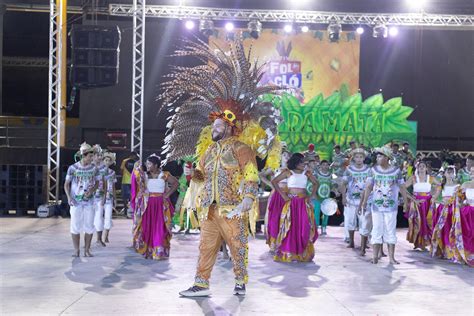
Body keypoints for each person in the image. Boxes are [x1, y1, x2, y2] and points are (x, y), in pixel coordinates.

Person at [160, 37, 280, 297]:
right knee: (206, 246)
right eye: (213, 126)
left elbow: (251, 174)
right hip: (210, 208)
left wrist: (247, 200)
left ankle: (240, 282)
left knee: (238, 246)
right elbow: (201, 176)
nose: (213, 129)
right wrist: (194, 177)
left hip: (232, 207)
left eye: (218, 127)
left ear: (230, 128)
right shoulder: (210, 150)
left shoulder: (241, 149)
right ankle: (201, 284)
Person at [359, 146, 408, 264]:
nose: (377, 158)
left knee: (390, 230)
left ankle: (391, 258)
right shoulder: (373, 170)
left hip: (391, 207)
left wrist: (406, 202)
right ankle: (375, 257)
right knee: (376, 229)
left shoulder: (396, 171)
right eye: (377, 156)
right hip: (376, 206)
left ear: (387, 157)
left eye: (380, 156)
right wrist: (365, 202)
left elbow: (402, 187)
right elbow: (369, 187)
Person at [271, 153, 318, 262]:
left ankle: (302, 253)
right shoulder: (288, 172)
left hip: (303, 203)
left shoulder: (307, 173)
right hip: (291, 203)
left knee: (304, 226)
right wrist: (283, 195)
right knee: (289, 227)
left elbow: (316, 183)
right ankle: (289, 253)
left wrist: (311, 196)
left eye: (304, 162)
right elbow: (274, 182)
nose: (303, 164)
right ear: (295, 163)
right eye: (301, 162)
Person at [131, 154, 179, 260]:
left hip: (161, 205)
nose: (147, 166)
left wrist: (167, 195)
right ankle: (148, 251)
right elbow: (136, 178)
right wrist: (136, 167)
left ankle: (158, 252)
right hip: (147, 205)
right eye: (146, 164)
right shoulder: (144, 176)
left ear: (156, 165)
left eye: (149, 164)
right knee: (147, 228)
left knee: (160, 227)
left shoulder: (164, 175)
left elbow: (176, 183)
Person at [64, 142, 99, 257]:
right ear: (84, 155)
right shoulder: (73, 168)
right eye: (90, 156)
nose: (92, 158)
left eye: (93, 156)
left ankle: (87, 250)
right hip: (76, 202)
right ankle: (76, 250)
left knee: (89, 226)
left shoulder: (94, 168)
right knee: (75, 226)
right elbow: (66, 185)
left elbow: (98, 182)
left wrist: (92, 190)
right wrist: (69, 198)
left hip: (89, 202)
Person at [341, 148, 372, 254]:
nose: (359, 159)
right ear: (353, 158)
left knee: (364, 222)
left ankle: (364, 244)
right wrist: (343, 197)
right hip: (351, 200)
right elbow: (343, 184)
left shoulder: (368, 170)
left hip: (364, 201)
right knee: (350, 220)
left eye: (361, 157)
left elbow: (371, 185)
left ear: (364, 158)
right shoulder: (348, 169)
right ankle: (351, 241)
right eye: (357, 157)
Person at [260, 149, 291, 252]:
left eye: (288, 155)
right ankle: (273, 243)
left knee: (286, 218)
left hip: (287, 196)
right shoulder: (275, 167)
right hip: (276, 196)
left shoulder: (291, 170)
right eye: (284, 155)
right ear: (280, 157)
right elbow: (261, 175)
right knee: (274, 218)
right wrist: (271, 185)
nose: (286, 157)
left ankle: (284, 243)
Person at [403, 160, 438, 251]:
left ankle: (427, 242)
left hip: (428, 203)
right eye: (420, 166)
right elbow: (402, 188)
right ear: (417, 168)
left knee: (428, 222)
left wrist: (434, 196)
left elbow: (440, 185)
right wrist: (413, 199)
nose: (421, 168)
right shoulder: (413, 178)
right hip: (417, 203)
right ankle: (417, 242)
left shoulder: (431, 178)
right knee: (417, 222)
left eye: (423, 166)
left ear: (426, 168)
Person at [431, 167, 462, 263]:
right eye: (448, 172)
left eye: (451, 172)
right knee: (444, 230)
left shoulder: (458, 186)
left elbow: (461, 199)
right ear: (444, 174)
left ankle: (452, 252)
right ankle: (444, 251)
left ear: (454, 174)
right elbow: (434, 198)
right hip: (443, 209)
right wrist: (441, 201)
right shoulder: (441, 185)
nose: (450, 174)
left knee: (452, 230)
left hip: (454, 210)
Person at [311, 160, 334, 236]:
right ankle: (316, 227)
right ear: (320, 166)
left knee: (326, 213)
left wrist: (336, 189)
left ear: (328, 166)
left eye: (327, 165)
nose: (325, 166)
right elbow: (312, 184)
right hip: (317, 196)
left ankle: (324, 227)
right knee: (316, 213)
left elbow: (333, 184)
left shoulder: (331, 175)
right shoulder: (316, 174)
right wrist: (314, 195)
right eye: (323, 164)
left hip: (326, 197)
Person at [92, 144, 107, 247]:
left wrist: (104, 197)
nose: (99, 157)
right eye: (97, 155)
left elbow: (105, 183)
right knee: (88, 219)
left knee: (99, 218)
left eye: (100, 155)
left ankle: (99, 239)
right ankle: (87, 241)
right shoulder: (87, 166)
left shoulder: (103, 167)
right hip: (88, 197)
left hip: (99, 196)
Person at [459, 166, 474, 266]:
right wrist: (464, 201)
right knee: (468, 233)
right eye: (472, 172)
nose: (472, 173)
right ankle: (468, 256)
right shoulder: (465, 184)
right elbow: (459, 199)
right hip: (468, 212)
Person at [102, 151, 117, 243]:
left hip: (109, 197)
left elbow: (114, 186)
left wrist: (115, 198)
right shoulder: (98, 171)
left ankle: (106, 235)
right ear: (103, 161)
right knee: (98, 217)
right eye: (106, 160)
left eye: (109, 160)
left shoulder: (112, 172)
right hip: (99, 197)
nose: (107, 162)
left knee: (108, 216)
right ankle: (99, 237)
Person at [120, 151, 139, 217]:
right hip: (132, 182)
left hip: (125, 181)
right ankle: (129, 211)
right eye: (134, 155)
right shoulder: (135, 162)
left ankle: (127, 211)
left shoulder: (125, 161)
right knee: (130, 196)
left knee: (125, 197)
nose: (135, 157)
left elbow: (121, 170)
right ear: (132, 155)